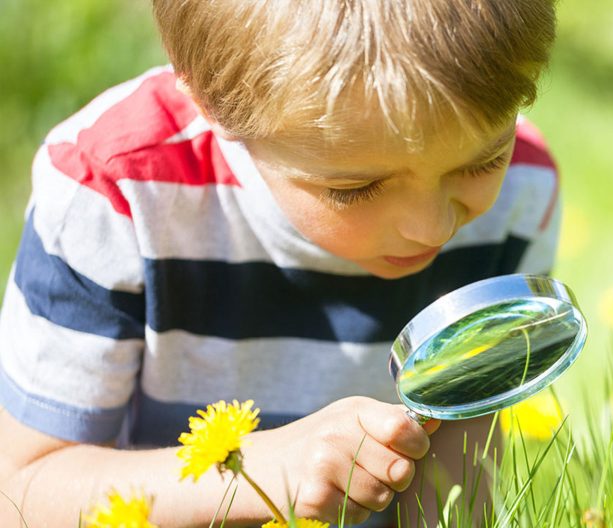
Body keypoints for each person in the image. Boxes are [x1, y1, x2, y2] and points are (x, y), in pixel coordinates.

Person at [0, 1, 560, 526]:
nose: (432, 227)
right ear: (213, 104)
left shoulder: (522, 191)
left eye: (483, 161)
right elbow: (22, 488)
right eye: (356, 188)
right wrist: (263, 471)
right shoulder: (117, 193)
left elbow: (457, 475)